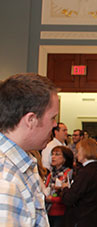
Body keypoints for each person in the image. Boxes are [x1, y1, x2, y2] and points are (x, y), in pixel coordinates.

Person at [0, 73, 58, 226]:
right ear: (31, 120)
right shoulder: (5, 182)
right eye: (52, 118)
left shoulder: (23, 163)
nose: (55, 125)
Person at [61, 138, 97, 227]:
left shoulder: (86, 172)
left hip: (83, 218)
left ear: (86, 151)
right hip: (94, 217)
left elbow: (70, 198)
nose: (76, 154)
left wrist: (64, 188)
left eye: (78, 151)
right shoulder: (95, 169)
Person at [45, 146, 74, 227]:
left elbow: (70, 194)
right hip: (49, 210)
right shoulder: (51, 174)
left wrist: (53, 199)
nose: (53, 157)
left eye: (57, 154)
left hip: (62, 211)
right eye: (52, 154)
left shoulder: (69, 173)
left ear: (64, 158)